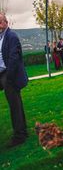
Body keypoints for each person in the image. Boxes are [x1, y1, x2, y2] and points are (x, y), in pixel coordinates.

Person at [0, 12, 28, 147]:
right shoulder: (1, 37)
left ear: (6, 22)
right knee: (16, 104)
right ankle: (22, 131)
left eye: (0, 22)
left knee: (15, 105)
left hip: (8, 75)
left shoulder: (11, 36)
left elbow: (14, 59)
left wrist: (9, 79)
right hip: (1, 74)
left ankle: (20, 135)